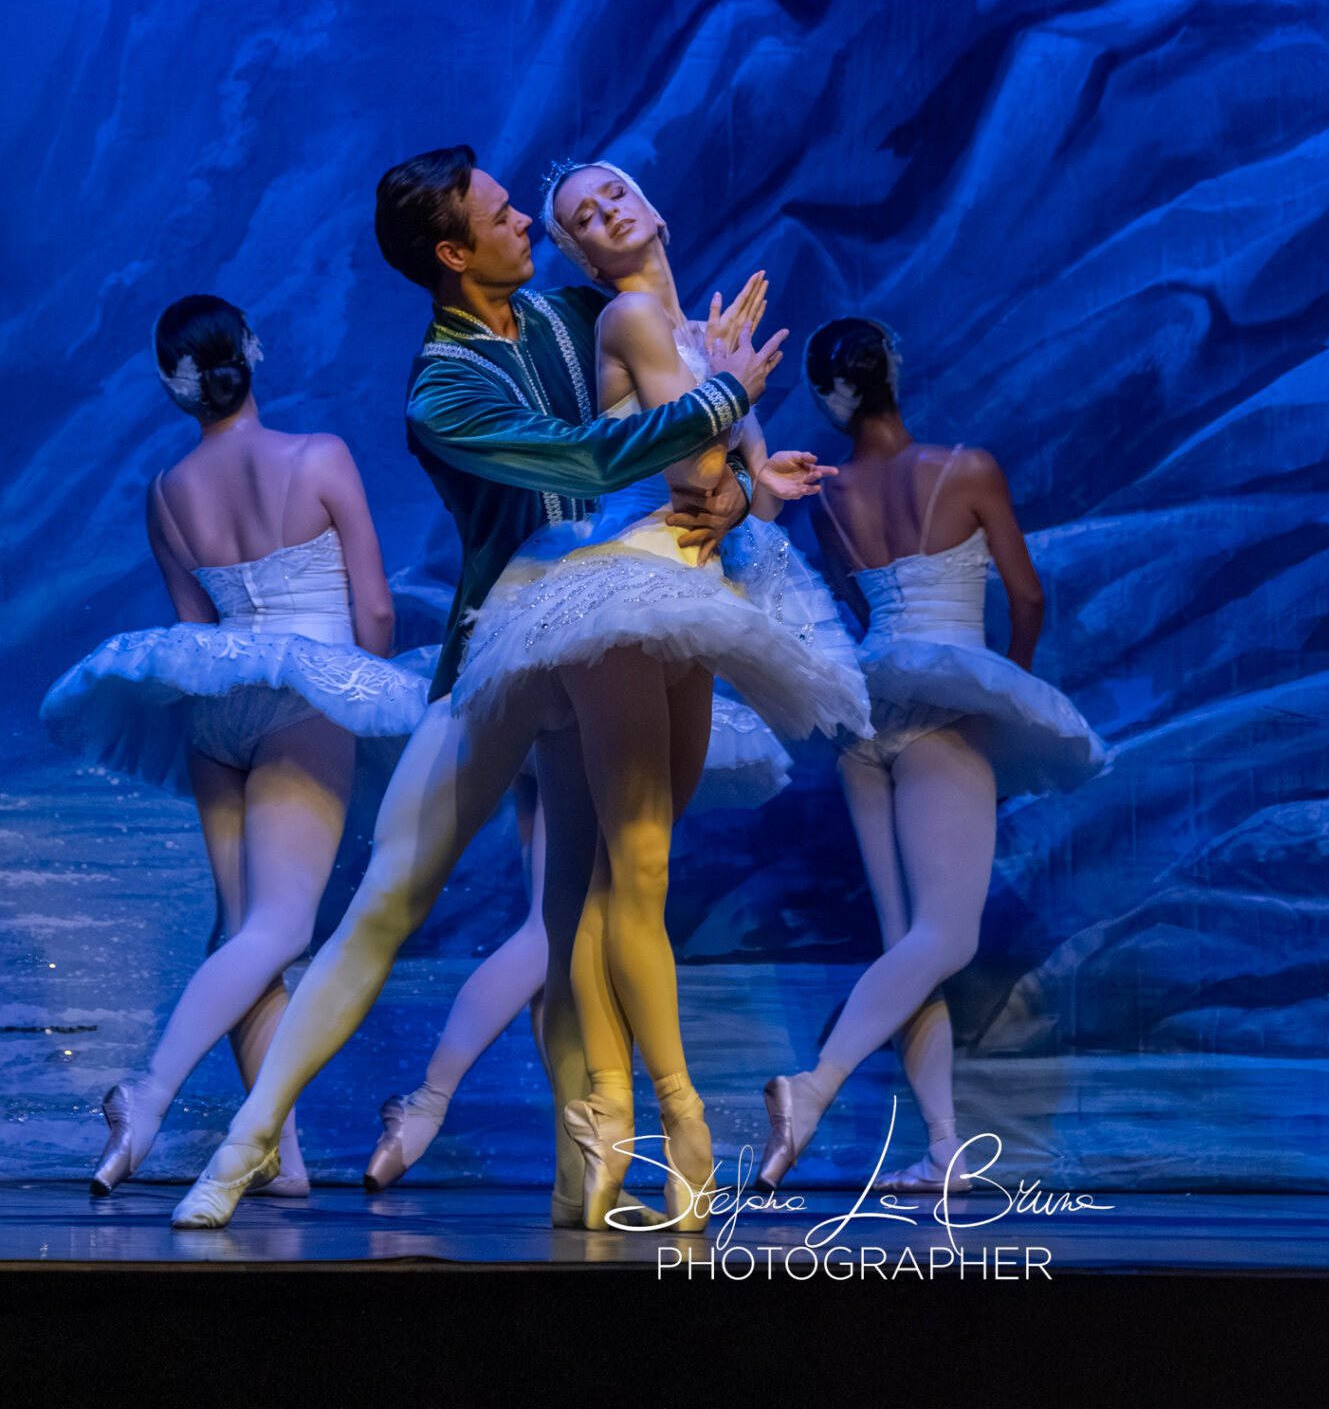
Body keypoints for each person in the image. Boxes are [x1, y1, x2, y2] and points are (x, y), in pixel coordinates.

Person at [171, 145, 777, 1230]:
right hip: (504, 639)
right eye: (504, 216)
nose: (527, 224)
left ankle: (582, 1177)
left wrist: (732, 485)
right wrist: (725, 393)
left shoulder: (565, 315)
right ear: (453, 254)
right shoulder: (440, 389)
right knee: (387, 901)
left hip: (604, 634)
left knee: (572, 913)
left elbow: (672, 406)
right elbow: (587, 459)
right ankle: (245, 1139)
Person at [449, 160, 871, 1229]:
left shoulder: (691, 334)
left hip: (689, 598)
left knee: (614, 885)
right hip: (623, 594)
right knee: (634, 872)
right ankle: (680, 1121)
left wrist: (757, 473)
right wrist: (733, 412)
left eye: (615, 194)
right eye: (582, 216)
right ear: (583, 255)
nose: (606, 212)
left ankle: (601, 1127)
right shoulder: (633, 318)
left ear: (655, 207)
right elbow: (692, 477)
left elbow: (740, 505)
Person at [40, 296, 425, 1198]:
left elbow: (195, 629)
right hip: (305, 699)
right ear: (251, 355)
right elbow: (373, 609)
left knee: (243, 929)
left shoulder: (166, 492)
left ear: (174, 386)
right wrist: (366, 697)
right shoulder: (319, 456)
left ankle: (278, 1158)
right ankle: (147, 1094)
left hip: (215, 708)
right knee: (278, 929)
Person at [755, 316, 1107, 1195]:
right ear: (894, 370)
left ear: (829, 397)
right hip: (946, 708)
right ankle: (813, 1087)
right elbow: (1026, 597)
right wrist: (1006, 693)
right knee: (945, 937)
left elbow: (860, 611)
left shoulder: (828, 498)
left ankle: (944, 1144)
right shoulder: (967, 467)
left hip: (866, 713)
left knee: (905, 944)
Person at [363, 702, 790, 1191]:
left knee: (555, 945)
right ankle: (427, 1104)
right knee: (550, 935)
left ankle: (584, 1164)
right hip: (581, 701)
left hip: (532, 697)